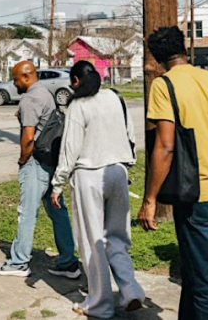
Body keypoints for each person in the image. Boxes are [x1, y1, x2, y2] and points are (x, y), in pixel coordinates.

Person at [139, 26, 208, 320]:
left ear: (157, 59)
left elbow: (165, 146)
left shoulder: (163, 85)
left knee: (206, 282)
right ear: (185, 49)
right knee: (193, 267)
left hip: (194, 195)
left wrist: (149, 199)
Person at [50, 61, 145, 317]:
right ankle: (130, 289)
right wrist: (128, 162)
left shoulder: (78, 105)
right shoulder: (115, 97)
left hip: (89, 174)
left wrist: (57, 183)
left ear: (75, 81)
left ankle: (100, 303)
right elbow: (130, 134)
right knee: (117, 237)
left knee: (92, 241)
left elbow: (70, 149)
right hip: (118, 171)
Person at [0, 60, 80, 279]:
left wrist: (23, 160)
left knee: (27, 213)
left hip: (35, 162)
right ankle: (68, 261)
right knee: (57, 211)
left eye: (15, 79)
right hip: (50, 159)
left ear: (26, 76)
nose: (14, 84)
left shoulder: (30, 99)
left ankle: (19, 262)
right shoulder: (46, 93)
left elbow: (29, 137)